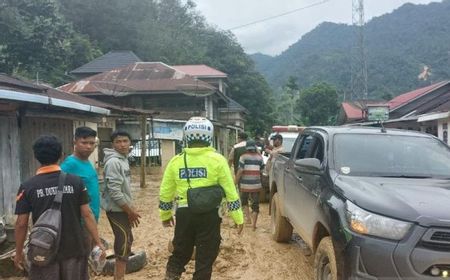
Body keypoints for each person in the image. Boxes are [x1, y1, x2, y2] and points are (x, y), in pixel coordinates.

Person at [160, 116, 244, 280]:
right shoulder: (218, 160)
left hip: (184, 214)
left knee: (180, 252)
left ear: (186, 137)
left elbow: (165, 192)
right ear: (209, 136)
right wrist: (238, 217)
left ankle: (171, 276)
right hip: (210, 215)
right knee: (205, 258)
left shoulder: (176, 161)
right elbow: (230, 192)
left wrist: (165, 215)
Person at [14, 135, 104, 280]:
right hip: (74, 248)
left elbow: (21, 224)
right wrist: (98, 242)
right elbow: (87, 214)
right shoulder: (76, 182)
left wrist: (18, 253)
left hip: (43, 250)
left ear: (36, 156)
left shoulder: (27, 186)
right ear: (61, 155)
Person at [102, 130, 141, 280]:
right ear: (113, 144)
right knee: (123, 242)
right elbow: (114, 192)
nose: (122, 144)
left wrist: (131, 208)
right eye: (118, 142)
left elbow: (124, 189)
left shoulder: (123, 159)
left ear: (130, 143)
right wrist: (129, 211)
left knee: (127, 240)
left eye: (125, 141)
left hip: (123, 208)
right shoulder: (113, 162)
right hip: (116, 209)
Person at [61, 127, 100, 253]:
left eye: (91, 143)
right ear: (75, 142)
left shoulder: (87, 162)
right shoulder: (69, 165)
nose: (88, 146)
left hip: (91, 220)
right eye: (84, 143)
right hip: (78, 222)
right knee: (79, 259)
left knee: (87, 256)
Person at [234, 139, 264, 230]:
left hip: (245, 184)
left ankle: (248, 219)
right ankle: (254, 226)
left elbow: (240, 171)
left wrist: (235, 181)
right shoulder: (260, 157)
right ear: (255, 147)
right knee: (255, 205)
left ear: (247, 148)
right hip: (256, 185)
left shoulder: (243, 157)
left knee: (244, 201)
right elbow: (262, 171)